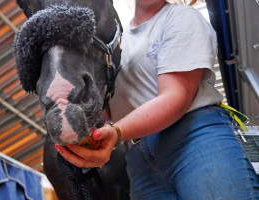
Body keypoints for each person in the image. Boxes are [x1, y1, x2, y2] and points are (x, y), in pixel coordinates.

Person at [55, 0, 259, 199]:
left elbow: (175, 98)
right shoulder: (115, 46)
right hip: (138, 161)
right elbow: (109, 111)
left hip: (194, 138)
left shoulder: (181, 17)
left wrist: (116, 132)